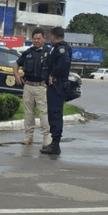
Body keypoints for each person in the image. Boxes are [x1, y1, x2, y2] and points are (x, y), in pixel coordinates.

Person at [13, 28, 51, 147]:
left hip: (41, 87)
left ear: (44, 39)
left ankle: (46, 137)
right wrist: (16, 74)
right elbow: (16, 63)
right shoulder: (28, 52)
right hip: (28, 86)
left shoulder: (49, 53)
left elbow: (55, 67)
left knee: (43, 113)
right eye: (34, 38)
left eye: (39, 38)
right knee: (28, 113)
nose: (36, 41)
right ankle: (29, 136)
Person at [40, 26, 72, 155]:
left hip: (57, 85)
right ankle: (54, 142)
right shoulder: (57, 48)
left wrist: (53, 75)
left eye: (50, 36)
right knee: (53, 113)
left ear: (53, 36)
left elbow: (63, 63)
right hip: (54, 85)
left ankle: (55, 144)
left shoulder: (62, 48)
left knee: (55, 114)